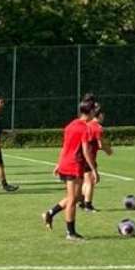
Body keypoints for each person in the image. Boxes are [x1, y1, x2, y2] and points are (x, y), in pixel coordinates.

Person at [42, 99, 97, 240]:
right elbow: (85, 151)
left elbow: (65, 146)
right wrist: (94, 170)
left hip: (66, 163)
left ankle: (50, 213)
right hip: (74, 165)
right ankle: (70, 233)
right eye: (94, 111)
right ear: (90, 112)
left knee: (78, 196)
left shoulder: (70, 125)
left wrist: (58, 163)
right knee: (73, 199)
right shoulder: (85, 128)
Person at [79, 105, 111, 212]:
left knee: (86, 180)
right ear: (100, 115)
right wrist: (108, 150)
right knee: (91, 181)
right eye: (103, 115)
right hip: (89, 156)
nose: (104, 117)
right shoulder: (97, 127)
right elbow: (100, 144)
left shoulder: (87, 124)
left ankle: (82, 202)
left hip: (81, 156)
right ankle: (88, 205)